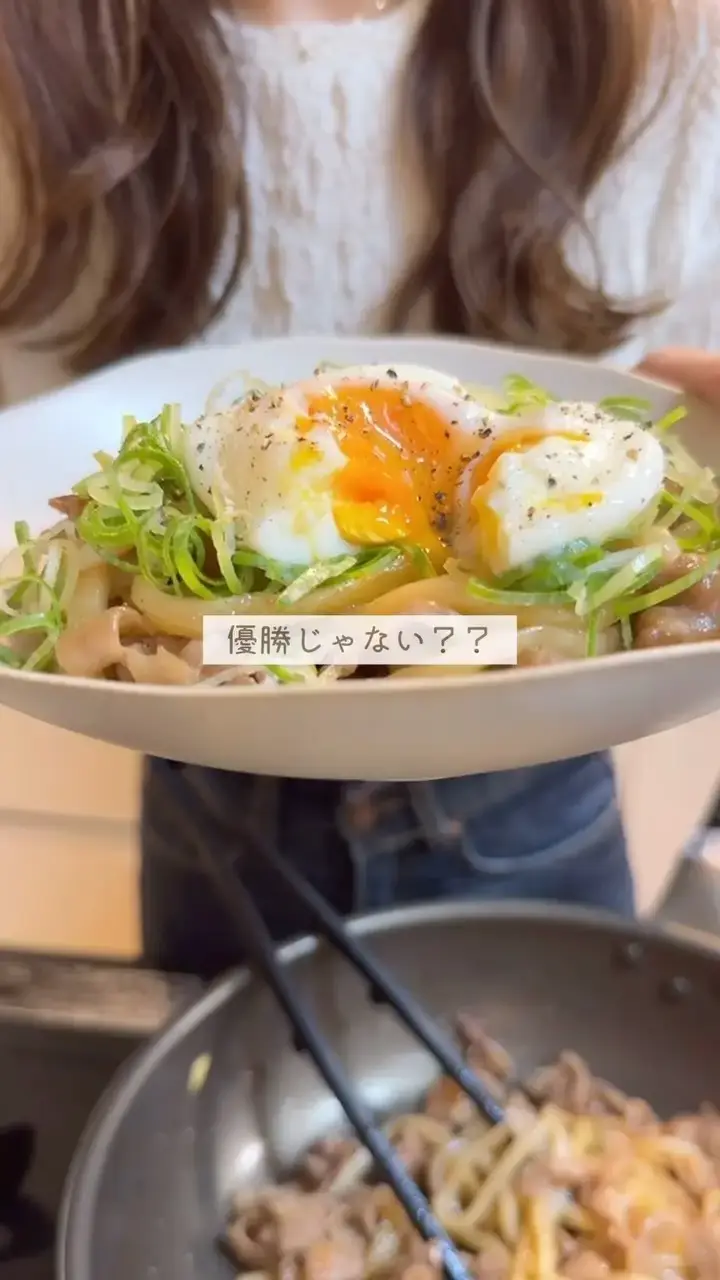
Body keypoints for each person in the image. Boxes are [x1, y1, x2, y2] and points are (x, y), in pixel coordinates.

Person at [1, 0, 720, 978]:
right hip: (209, 808)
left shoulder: (664, 45)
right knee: (227, 1067)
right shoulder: (34, 55)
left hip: (535, 800)